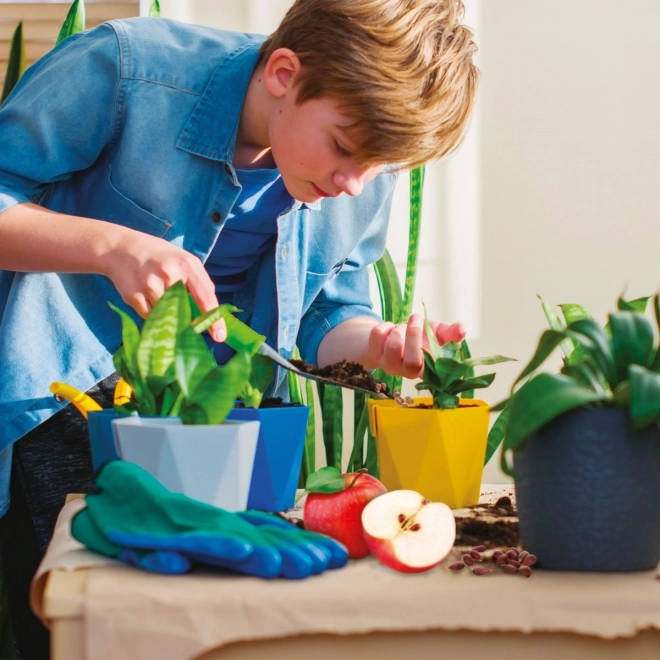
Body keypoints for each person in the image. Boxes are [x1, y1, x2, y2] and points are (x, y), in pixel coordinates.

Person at [0, 0, 478, 656]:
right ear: (284, 74)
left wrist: (375, 344)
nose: (352, 184)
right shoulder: (127, 69)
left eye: (375, 168)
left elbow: (327, 314)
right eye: (343, 149)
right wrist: (110, 247)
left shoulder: (362, 169)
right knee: (84, 625)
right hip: (65, 402)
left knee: (208, 629)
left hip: (229, 425)